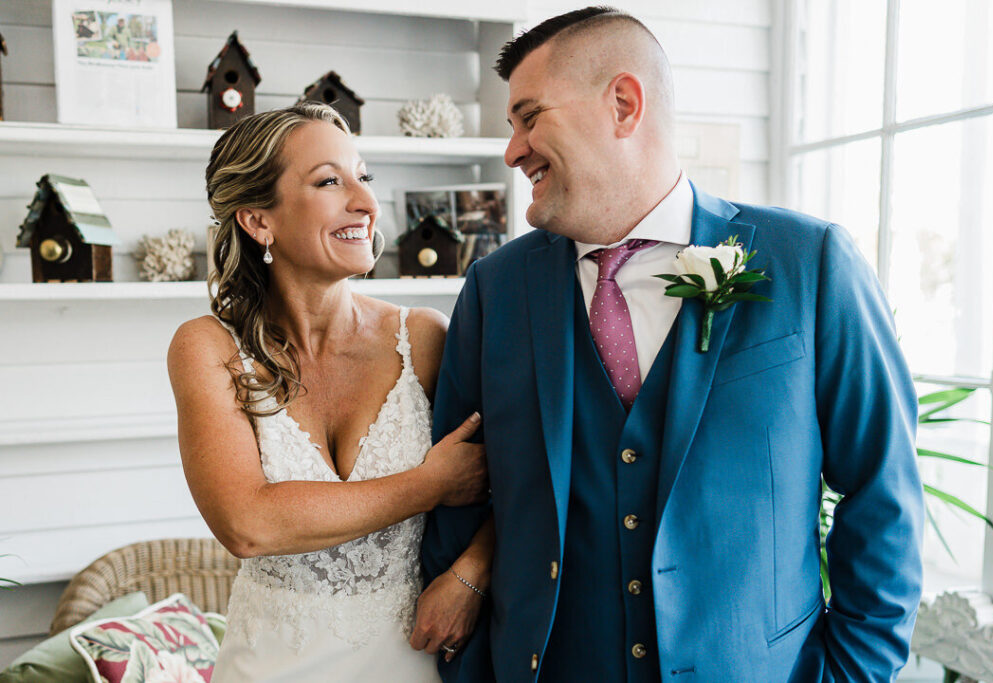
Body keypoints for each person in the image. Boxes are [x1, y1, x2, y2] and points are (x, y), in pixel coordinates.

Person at [419, 7, 924, 682]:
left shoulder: (810, 263)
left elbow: (882, 492)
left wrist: (851, 674)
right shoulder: (495, 290)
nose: (513, 150)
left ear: (624, 104)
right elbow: (459, 496)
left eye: (529, 117)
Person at [168, 102, 493, 682]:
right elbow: (247, 524)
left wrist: (471, 576)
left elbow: (517, 478)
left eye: (364, 177)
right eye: (329, 181)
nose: (366, 202)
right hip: (268, 665)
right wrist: (430, 484)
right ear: (258, 221)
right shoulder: (207, 348)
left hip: (413, 658)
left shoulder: (423, 338)